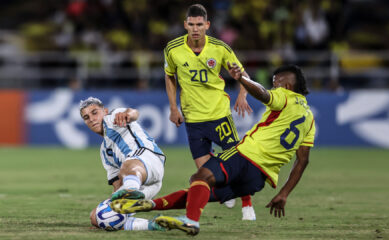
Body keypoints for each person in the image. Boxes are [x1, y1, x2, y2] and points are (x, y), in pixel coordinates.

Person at [110, 65, 316, 236]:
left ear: (288, 85)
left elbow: (262, 94)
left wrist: (243, 79)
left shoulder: (285, 96)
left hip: (246, 155)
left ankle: (191, 221)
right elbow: (302, 161)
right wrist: (284, 194)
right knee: (200, 192)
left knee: (200, 177)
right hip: (260, 177)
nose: (274, 85)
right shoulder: (309, 118)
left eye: (276, 82)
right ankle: (149, 205)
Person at [163, 3, 255, 220]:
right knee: (205, 169)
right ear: (185, 24)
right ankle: (225, 190)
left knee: (236, 160)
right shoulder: (173, 49)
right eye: (192, 24)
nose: (195, 28)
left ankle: (247, 204)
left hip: (219, 115)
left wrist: (242, 94)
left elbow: (242, 74)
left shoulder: (220, 48)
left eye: (200, 24)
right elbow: (169, 76)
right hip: (193, 119)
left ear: (207, 25)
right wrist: (173, 108)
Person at [79, 97, 165, 231]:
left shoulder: (113, 118)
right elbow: (117, 187)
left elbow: (134, 113)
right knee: (97, 216)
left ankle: (131, 190)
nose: (91, 118)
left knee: (127, 167)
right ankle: (155, 224)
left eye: (94, 112)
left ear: (105, 111)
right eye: (86, 117)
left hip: (149, 160)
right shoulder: (104, 152)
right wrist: (108, 215)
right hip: (146, 185)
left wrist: (127, 114)